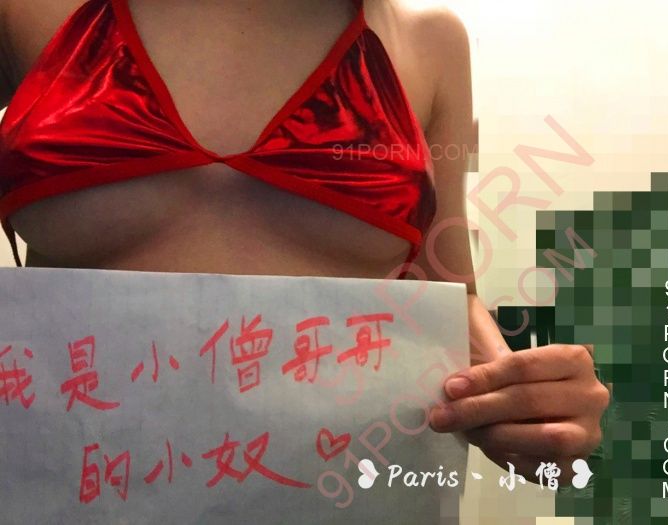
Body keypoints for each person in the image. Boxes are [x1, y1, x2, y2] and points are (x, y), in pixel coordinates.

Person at [0, 0, 608, 486]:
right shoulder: (25, 12)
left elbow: (445, 293)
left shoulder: (428, 41)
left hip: (338, 489)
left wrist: (527, 402)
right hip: (69, 480)